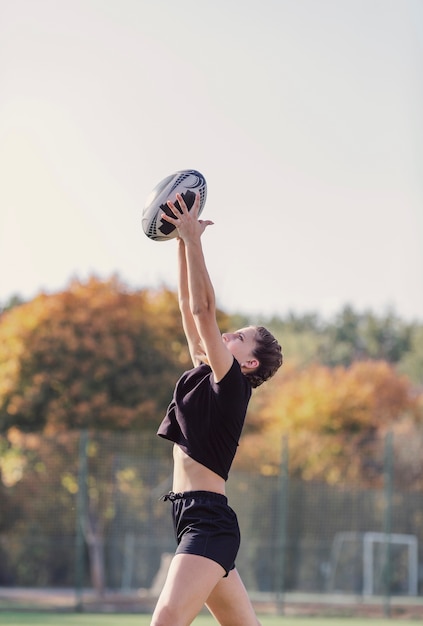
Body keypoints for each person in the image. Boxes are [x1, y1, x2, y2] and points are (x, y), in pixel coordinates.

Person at [151, 192, 283, 626]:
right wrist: (180, 245)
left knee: (166, 621)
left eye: (238, 337)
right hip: (195, 517)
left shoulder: (232, 387)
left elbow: (203, 309)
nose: (227, 334)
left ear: (248, 363)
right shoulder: (205, 376)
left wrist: (195, 241)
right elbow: (189, 315)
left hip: (207, 522)